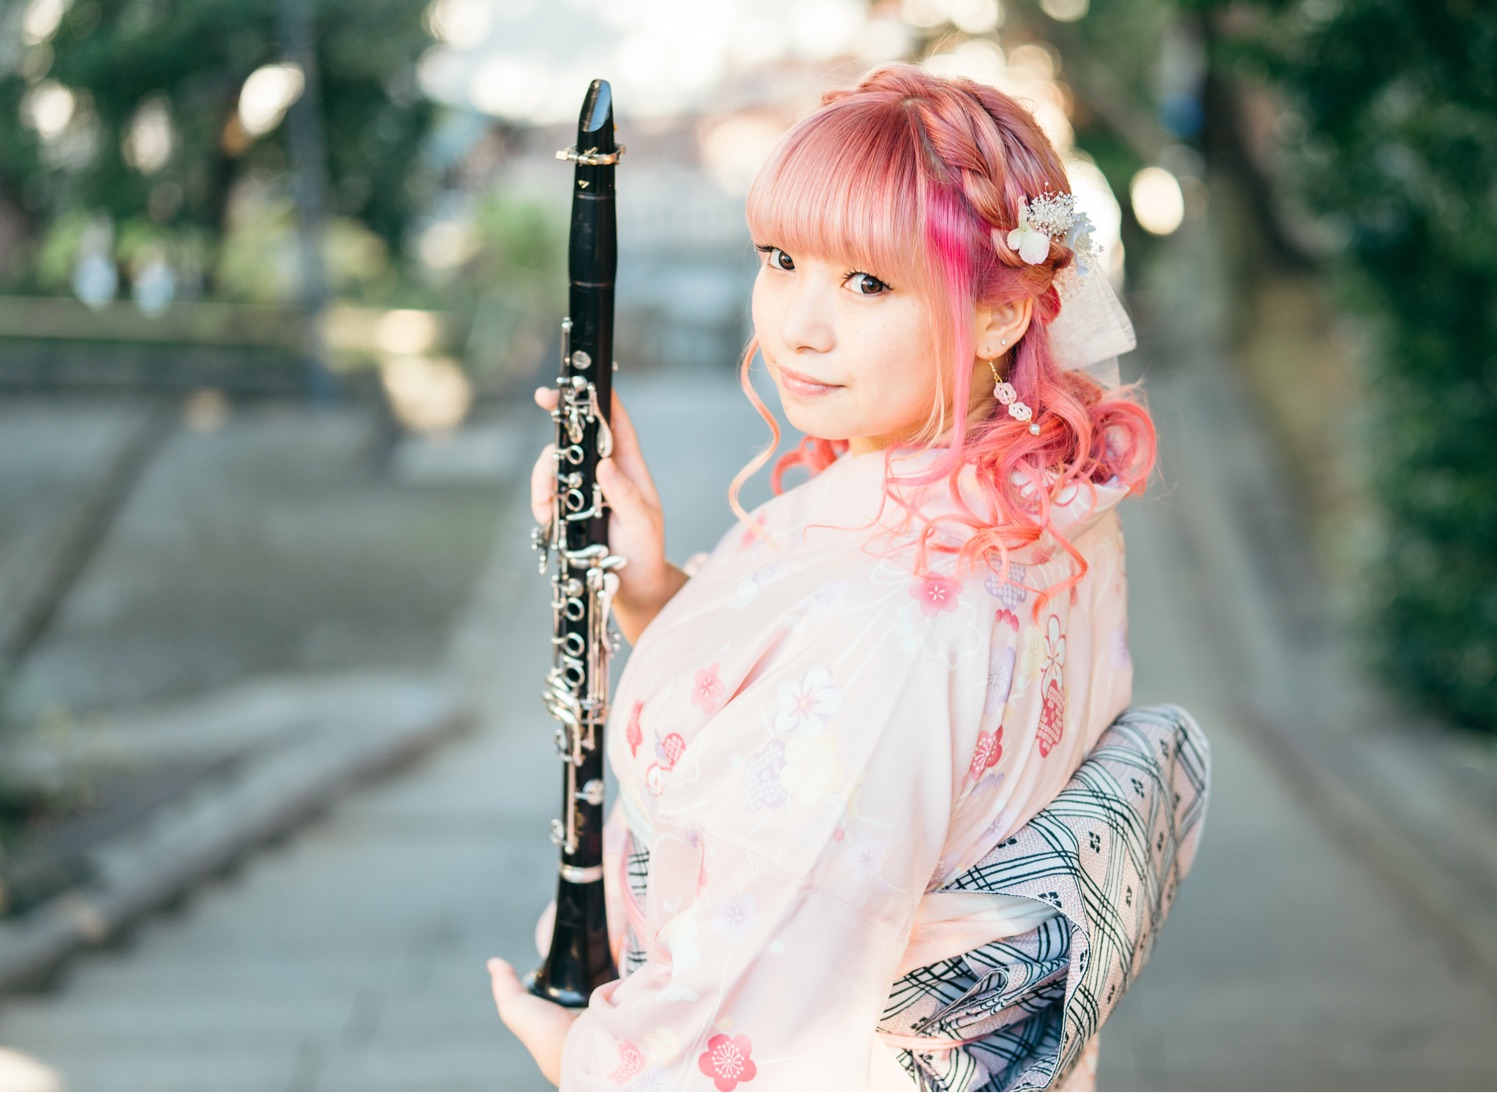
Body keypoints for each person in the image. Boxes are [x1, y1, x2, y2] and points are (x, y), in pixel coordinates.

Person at [487, 62, 1170, 1090]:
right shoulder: (1032, 494)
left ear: (1000, 316)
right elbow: (810, 731)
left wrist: (583, 1055)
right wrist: (649, 587)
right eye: (781, 260)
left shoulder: (903, 616)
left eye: (867, 283)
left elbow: (774, 995)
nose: (797, 326)